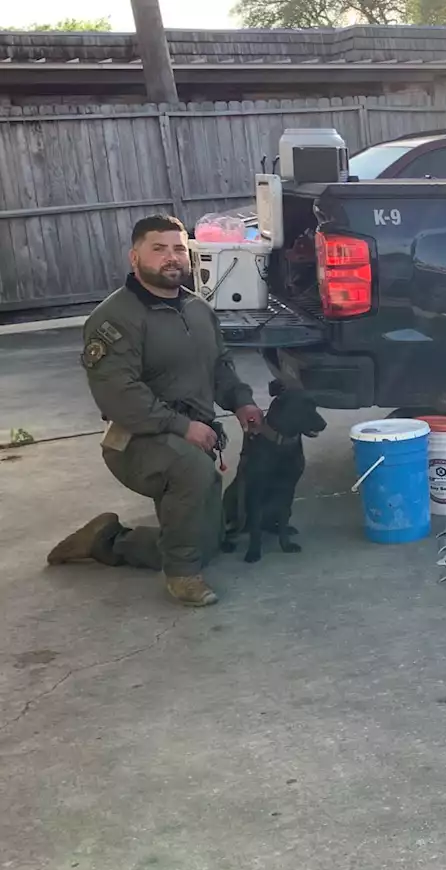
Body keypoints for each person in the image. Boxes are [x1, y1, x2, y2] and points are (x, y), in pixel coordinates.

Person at [46, 215, 263, 607]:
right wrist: (182, 427)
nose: (171, 257)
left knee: (208, 542)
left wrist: (242, 401)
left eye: (179, 248)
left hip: (186, 436)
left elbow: (220, 367)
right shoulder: (114, 318)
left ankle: (106, 541)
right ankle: (182, 576)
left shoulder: (198, 309)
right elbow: (118, 394)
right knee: (193, 472)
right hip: (134, 441)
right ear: (135, 257)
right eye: (158, 249)